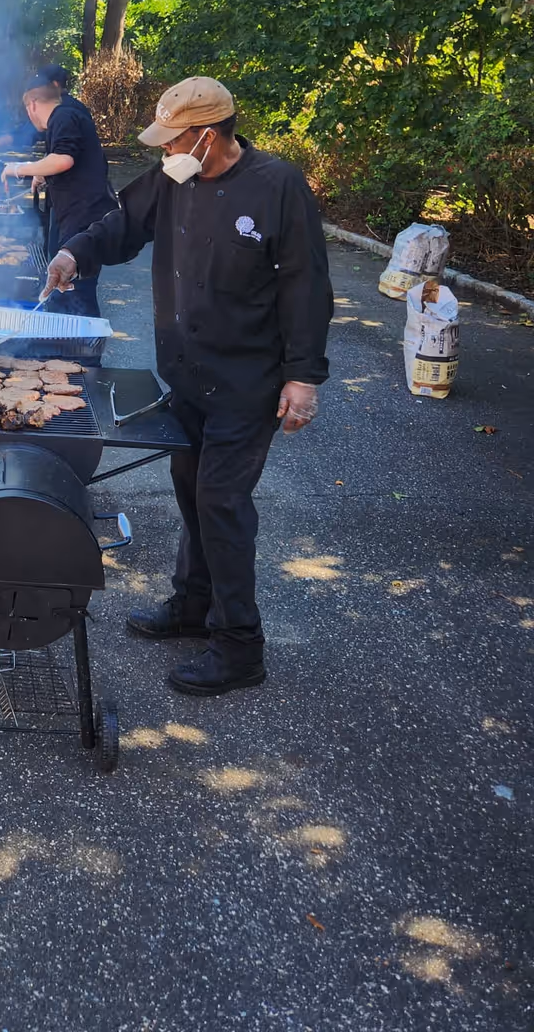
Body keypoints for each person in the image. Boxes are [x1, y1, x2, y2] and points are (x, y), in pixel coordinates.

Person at [41, 75, 333, 695]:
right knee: (190, 489)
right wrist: (73, 254)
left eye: (172, 139)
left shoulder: (277, 184)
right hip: (186, 373)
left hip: (247, 380)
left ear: (205, 136)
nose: (164, 151)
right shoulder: (174, 178)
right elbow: (118, 226)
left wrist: (303, 377)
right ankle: (191, 606)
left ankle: (239, 646)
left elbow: (304, 286)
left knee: (222, 504)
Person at [0, 81, 117, 317]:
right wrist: (43, 172)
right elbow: (71, 157)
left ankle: (80, 348)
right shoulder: (66, 117)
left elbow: (64, 159)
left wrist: (19, 168)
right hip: (80, 213)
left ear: (32, 105)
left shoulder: (62, 117)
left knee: (77, 289)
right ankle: (70, 340)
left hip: (84, 215)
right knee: (69, 286)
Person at [0, 64, 86, 155]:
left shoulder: (61, 111)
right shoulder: (78, 107)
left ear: (55, 85)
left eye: (42, 84)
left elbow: (26, 134)